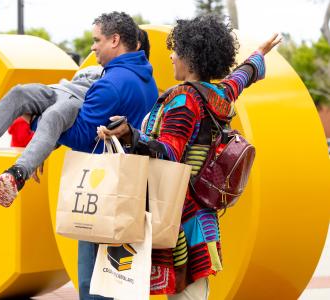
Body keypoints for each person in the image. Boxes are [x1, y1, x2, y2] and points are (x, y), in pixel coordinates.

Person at [98, 14, 281, 300]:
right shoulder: (219, 93)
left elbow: (170, 152)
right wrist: (259, 55)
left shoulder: (183, 99)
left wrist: (132, 135)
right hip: (204, 219)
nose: (171, 56)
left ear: (192, 58)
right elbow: (241, 77)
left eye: (177, 50)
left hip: (178, 217)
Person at [0, 22, 153, 208]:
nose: (94, 47)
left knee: (54, 115)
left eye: (98, 41)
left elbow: (76, 125)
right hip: (57, 90)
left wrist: (37, 135)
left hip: (77, 104)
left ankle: (18, 174)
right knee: (19, 92)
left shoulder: (121, 80)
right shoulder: (101, 68)